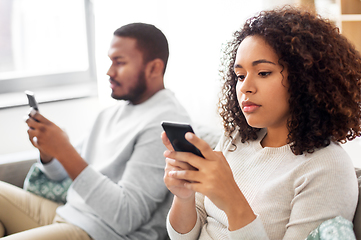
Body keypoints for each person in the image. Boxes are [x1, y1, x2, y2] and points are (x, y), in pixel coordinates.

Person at [162, 7, 361, 240]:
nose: (245, 87)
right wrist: (184, 197)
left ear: (306, 79)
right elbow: (184, 236)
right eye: (240, 75)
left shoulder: (327, 167)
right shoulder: (236, 139)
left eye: (263, 73)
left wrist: (232, 200)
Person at [0, 23, 190, 240]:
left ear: (154, 68)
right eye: (110, 61)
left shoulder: (165, 124)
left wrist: (64, 151)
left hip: (101, 233)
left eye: (119, 62)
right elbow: (61, 173)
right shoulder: (112, 113)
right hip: (69, 214)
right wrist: (49, 151)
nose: (109, 72)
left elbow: (125, 217)